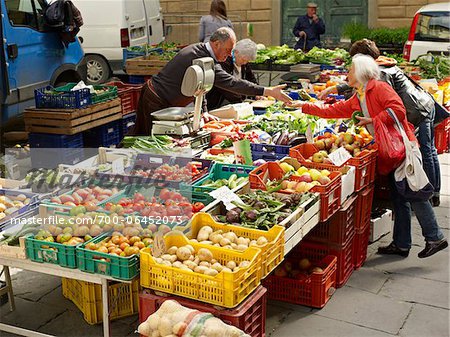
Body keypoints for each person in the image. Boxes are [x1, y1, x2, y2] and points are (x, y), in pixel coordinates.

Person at [291, 54, 448, 259]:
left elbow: (398, 110)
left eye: (350, 70)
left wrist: (374, 119)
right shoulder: (359, 95)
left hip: (401, 146)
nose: (347, 74)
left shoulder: (379, 87)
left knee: (413, 191)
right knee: (400, 195)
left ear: (360, 73)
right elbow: (334, 110)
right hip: (389, 149)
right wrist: (303, 107)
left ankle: (435, 236)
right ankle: (402, 244)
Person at [318, 39, 441, 207]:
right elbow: (362, 89)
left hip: (418, 110)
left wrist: (374, 119)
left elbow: (386, 102)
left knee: (425, 152)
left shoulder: (380, 74)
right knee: (428, 151)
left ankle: (429, 194)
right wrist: (337, 90)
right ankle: (428, 195)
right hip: (418, 106)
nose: (352, 67)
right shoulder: (378, 67)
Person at [131, 27, 292, 136]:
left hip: (167, 101)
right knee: (145, 138)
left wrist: (204, 112)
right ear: (216, 44)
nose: (229, 55)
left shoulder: (207, 56)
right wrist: (267, 91)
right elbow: (231, 83)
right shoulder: (199, 55)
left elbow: (203, 86)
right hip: (155, 98)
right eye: (228, 50)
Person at [206, 38, 259, 110]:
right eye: (243, 59)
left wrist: (256, 94)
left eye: (247, 61)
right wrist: (241, 102)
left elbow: (251, 79)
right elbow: (227, 87)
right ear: (236, 52)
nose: (245, 63)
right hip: (218, 103)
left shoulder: (244, 63)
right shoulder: (224, 61)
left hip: (236, 102)